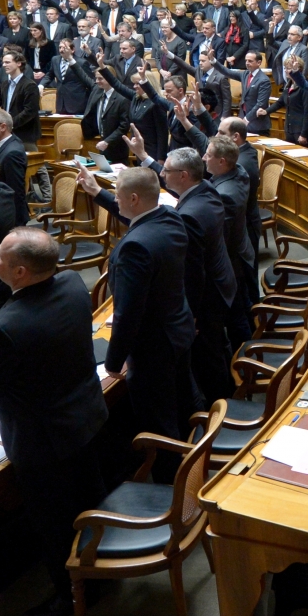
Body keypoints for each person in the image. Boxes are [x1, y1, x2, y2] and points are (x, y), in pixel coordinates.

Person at [0, 227, 106, 616]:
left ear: (20, 271)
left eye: (0, 256)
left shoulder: (2, 328)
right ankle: (100, 571)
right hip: (86, 417)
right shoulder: (74, 283)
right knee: (88, 502)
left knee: (55, 525)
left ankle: (71, 597)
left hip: (42, 443)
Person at [103, 166, 197, 444]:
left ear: (133, 199)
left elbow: (128, 313)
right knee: (181, 404)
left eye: (117, 196)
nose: (115, 201)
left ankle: (170, 478)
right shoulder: (170, 217)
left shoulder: (135, 247)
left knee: (158, 419)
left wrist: (113, 360)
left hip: (152, 347)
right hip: (179, 329)